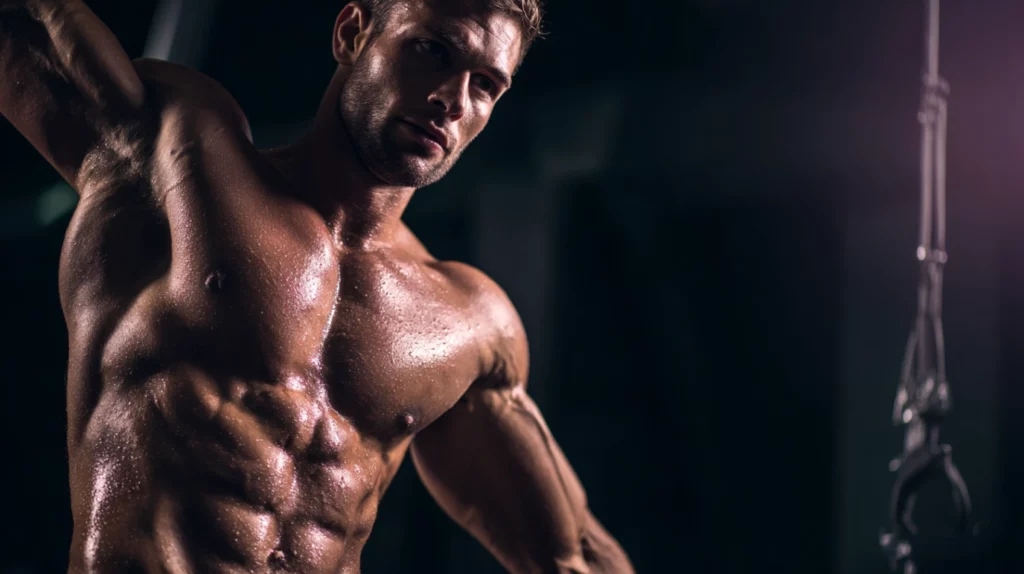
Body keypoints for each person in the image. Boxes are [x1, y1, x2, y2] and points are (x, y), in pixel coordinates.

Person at [0, 0, 635, 572]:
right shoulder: (179, 158)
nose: (453, 97)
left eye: (487, 86)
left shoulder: (467, 321)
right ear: (354, 32)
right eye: (433, 50)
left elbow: (571, 553)